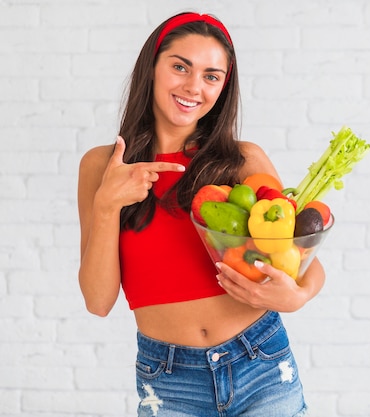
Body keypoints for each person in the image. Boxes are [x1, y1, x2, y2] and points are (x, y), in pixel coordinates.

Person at [77, 12, 324, 417]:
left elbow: (306, 262)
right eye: (180, 67)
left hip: (260, 362)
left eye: (211, 76)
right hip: (168, 380)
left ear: (224, 86)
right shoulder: (101, 167)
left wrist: (297, 296)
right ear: (151, 68)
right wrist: (107, 205)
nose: (194, 87)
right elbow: (98, 301)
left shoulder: (243, 161)